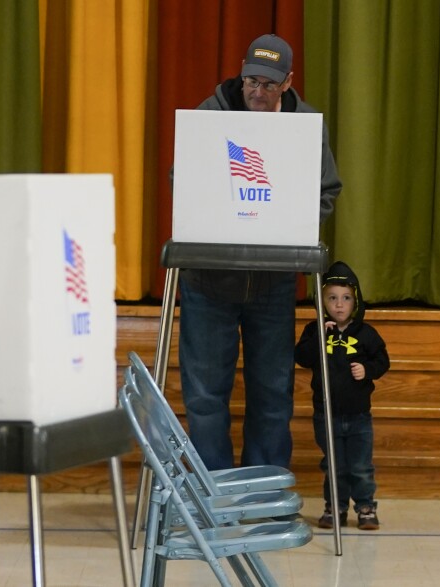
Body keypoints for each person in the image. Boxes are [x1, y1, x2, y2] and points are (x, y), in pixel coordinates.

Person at [176, 34, 343, 471]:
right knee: (205, 395)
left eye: (269, 84)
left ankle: (263, 492)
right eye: (252, 80)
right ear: (241, 73)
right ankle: (214, 498)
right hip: (209, 280)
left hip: (272, 279)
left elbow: (327, 192)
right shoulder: (209, 116)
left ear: (288, 81)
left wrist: (292, 222)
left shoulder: (306, 125)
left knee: (272, 393)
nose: (258, 91)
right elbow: (182, 181)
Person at [295, 261, 389, 530]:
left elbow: (383, 361)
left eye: (346, 298)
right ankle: (334, 506)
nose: (339, 305)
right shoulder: (315, 331)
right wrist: (318, 339)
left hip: (359, 415)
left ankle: (366, 508)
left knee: (360, 465)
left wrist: (368, 370)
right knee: (333, 464)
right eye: (332, 298)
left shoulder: (366, 334)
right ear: (321, 301)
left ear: (355, 300)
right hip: (326, 414)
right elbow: (301, 357)